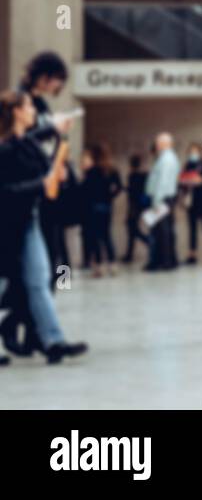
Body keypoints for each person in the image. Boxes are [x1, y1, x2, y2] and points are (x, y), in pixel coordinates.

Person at [0, 90, 88, 364]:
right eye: (27, 106)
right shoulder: (5, 147)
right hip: (5, 224)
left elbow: (31, 146)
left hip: (28, 220)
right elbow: (5, 190)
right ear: (15, 111)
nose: (33, 110)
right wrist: (42, 182)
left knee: (40, 280)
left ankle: (53, 341)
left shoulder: (23, 143)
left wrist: (56, 136)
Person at [18, 52, 73, 288]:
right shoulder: (22, 101)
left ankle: (39, 314)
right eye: (56, 78)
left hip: (45, 184)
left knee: (53, 251)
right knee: (38, 260)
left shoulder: (40, 103)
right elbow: (20, 142)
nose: (59, 85)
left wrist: (60, 164)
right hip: (30, 187)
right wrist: (51, 128)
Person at [84, 143, 122, 277]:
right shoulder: (112, 170)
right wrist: (110, 196)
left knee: (96, 237)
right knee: (107, 236)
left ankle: (99, 266)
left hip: (94, 207)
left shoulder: (91, 171)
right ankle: (112, 264)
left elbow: (86, 190)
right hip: (107, 206)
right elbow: (119, 187)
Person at [144, 133, 180, 271]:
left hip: (162, 199)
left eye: (158, 142)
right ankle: (166, 260)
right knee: (163, 231)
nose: (156, 145)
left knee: (162, 232)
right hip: (163, 198)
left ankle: (166, 261)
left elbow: (163, 182)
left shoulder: (167, 159)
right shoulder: (165, 158)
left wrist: (156, 201)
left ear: (166, 143)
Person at [180, 143, 202, 265]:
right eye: (191, 152)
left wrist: (199, 181)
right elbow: (181, 182)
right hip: (192, 202)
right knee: (192, 228)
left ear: (200, 153)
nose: (193, 154)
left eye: (195, 152)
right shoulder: (187, 166)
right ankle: (192, 254)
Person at [122, 154, 149, 264]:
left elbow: (133, 192)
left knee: (133, 230)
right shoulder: (143, 175)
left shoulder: (133, 176)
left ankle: (149, 241)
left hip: (134, 206)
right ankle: (129, 254)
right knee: (132, 231)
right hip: (139, 206)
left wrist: (127, 189)